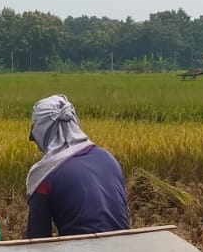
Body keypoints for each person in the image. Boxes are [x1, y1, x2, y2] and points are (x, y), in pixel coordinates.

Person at [25, 95, 128, 239]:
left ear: (43, 131)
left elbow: (37, 240)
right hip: (125, 249)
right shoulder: (108, 159)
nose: (35, 142)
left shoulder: (44, 175)